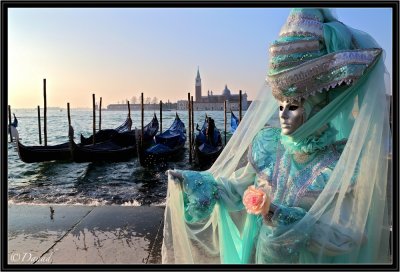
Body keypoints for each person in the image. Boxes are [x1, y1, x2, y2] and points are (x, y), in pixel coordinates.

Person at [163, 8, 391, 264]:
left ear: (318, 109)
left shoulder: (341, 163)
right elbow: (235, 189)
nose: (282, 115)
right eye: (280, 106)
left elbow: (349, 236)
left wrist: (281, 216)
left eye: (293, 106)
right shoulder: (268, 147)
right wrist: (192, 181)